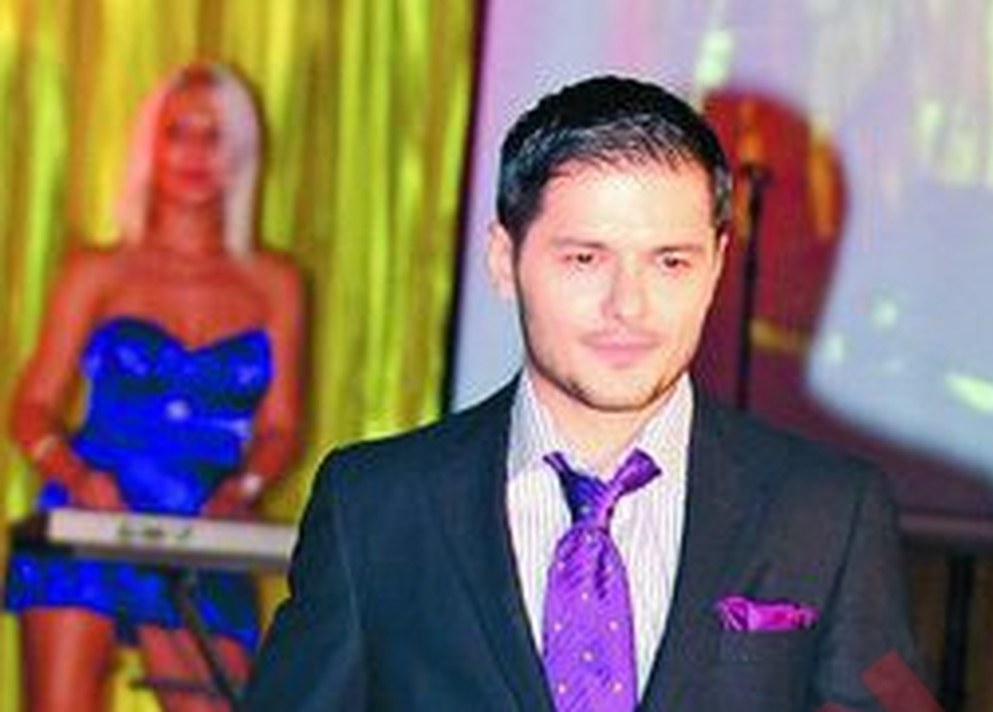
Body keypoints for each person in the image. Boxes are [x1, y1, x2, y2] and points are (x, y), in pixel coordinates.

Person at [244, 75, 924, 711]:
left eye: (670, 262)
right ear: (504, 260)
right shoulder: (376, 506)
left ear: (717, 266)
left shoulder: (827, 512)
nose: (628, 305)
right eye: (584, 258)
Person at [4, 62, 305, 712]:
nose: (194, 154)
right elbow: (30, 407)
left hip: (203, 529)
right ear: (150, 146)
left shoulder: (274, 283)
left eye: (212, 136)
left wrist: (242, 489)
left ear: (240, 151)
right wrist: (77, 477)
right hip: (91, 521)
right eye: (177, 133)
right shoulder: (97, 270)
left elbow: (282, 426)